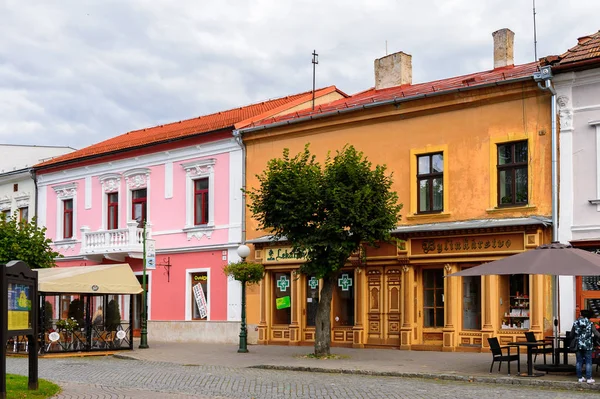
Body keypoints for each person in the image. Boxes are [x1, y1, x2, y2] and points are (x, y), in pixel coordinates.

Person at [571, 309, 600, 384]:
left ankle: (580, 378)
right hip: (588, 345)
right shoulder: (590, 323)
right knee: (588, 362)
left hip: (578, 344)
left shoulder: (575, 323)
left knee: (579, 361)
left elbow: (571, 334)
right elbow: (596, 333)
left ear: (582, 315)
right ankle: (589, 378)